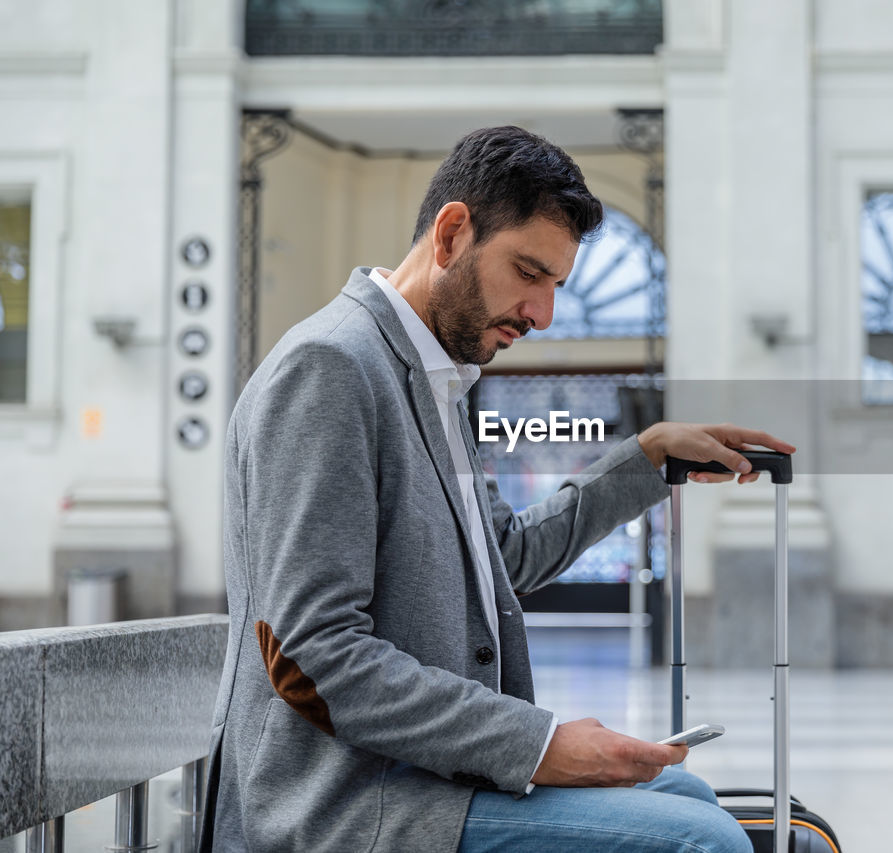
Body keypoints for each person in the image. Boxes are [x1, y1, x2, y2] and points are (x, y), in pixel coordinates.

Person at [201, 126, 794, 853]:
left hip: (426, 775)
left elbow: (502, 557)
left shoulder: (435, 383)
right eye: (528, 271)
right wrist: (539, 743)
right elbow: (313, 653)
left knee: (690, 795)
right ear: (452, 233)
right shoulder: (331, 368)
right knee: (704, 841)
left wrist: (644, 457)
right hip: (344, 805)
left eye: (556, 286)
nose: (542, 314)